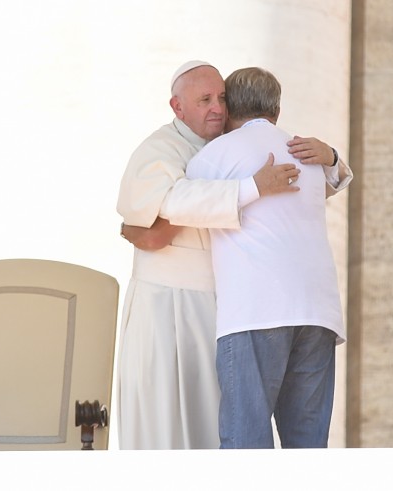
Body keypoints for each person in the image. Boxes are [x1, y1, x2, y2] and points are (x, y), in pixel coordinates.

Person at [116, 60, 351, 449]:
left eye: (222, 98)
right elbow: (151, 229)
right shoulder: (163, 149)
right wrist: (260, 184)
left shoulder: (221, 151)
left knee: (242, 438)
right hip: (171, 308)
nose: (216, 108)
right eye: (205, 99)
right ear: (177, 107)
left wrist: (329, 160)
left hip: (242, 309)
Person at [185, 67, 348, 449]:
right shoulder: (307, 150)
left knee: (247, 446)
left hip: (255, 311)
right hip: (318, 313)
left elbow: (181, 204)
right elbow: (336, 180)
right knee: (308, 447)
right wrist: (336, 158)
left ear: (230, 106)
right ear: (277, 106)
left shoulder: (216, 155)